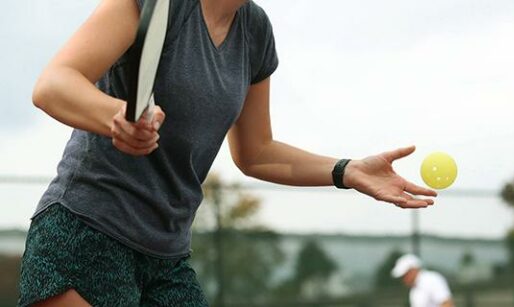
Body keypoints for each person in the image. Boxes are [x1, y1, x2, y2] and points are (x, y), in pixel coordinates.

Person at [19, 0, 438, 306]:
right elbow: (52, 84)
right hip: (84, 233)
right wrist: (117, 115)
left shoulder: (255, 31)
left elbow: (256, 152)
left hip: (166, 256)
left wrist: (346, 171)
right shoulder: (158, 4)